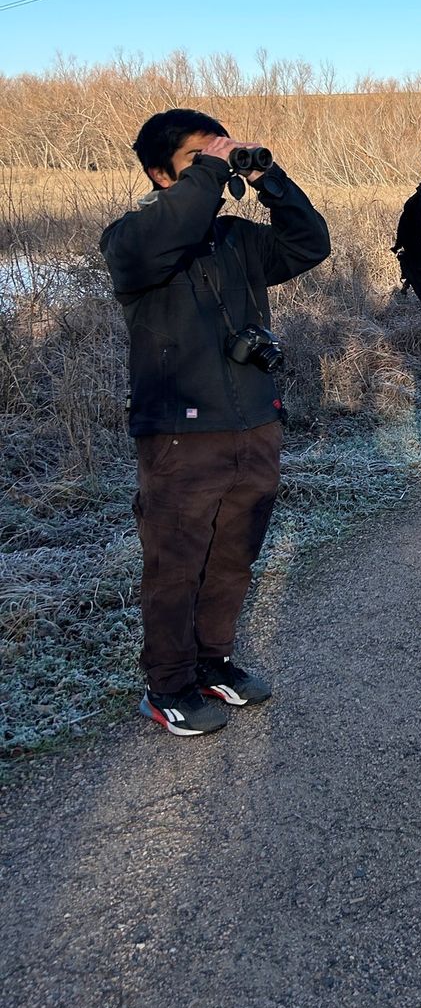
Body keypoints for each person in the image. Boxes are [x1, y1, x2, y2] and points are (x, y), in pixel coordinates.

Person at [100, 109, 331, 737]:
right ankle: (168, 686)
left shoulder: (235, 239)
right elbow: (162, 233)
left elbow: (310, 243)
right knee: (175, 564)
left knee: (233, 556)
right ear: (159, 173)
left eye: (222, 154)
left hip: (253, 423)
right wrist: (208, 170)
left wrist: (271, 179)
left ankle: (213, 663)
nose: (217, 164)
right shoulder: (132, 241)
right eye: (200, 157)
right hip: (180, 435)